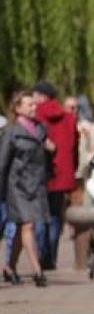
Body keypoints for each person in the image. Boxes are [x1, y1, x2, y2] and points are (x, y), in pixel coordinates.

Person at [0, 90, 52, 286]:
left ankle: (10, 267)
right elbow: (2, 163)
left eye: (34, 104)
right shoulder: (11, 131)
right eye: (29, 104)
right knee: (28, 225)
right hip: (17, 186)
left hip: (36, 186)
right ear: (18, 108)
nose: (34, 107)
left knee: (25, 227)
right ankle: (37, 271)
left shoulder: (40, 128)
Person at [33, 81, 77, 271]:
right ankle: (52, 257)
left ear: (42, 96)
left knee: (40, 216)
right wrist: (71, 168)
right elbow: (75, 147)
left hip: (42, 173)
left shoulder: (36, 114)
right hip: (63, 175)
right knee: (55, 216)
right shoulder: (68, 117)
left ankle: (42, 255)